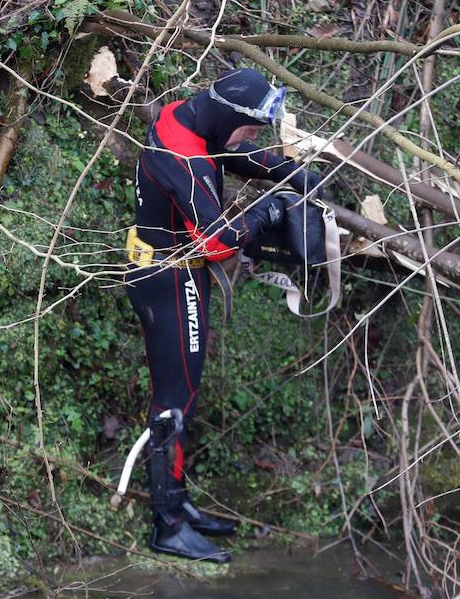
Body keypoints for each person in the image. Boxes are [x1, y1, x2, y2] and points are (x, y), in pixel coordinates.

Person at [125, 68, 323, 562]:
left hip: (172, 271)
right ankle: (167, 526)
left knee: (183, 396)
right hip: (170, 279)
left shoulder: (186, 118)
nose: (253, 139)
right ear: (230, 115)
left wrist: (288, 172)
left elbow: (228, 148)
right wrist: (270, 211)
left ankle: (179, 506)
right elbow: (216, 243)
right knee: (174, 403)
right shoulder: (184, 157)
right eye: (253, 129)